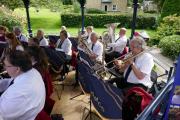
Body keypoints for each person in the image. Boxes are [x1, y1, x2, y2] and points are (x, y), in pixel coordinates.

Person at [0, 50, 45, 120]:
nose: (4, 68)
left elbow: (2, 114)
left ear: (17, 69)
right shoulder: (32, 71)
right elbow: (10, 82)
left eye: (6, 66)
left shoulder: (19, 92)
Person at [26, 46, 54, 115]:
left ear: (32, 57)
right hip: (41, 97)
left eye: (26, 56)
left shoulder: (35, 70)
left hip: (38, 101)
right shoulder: (40, 64)